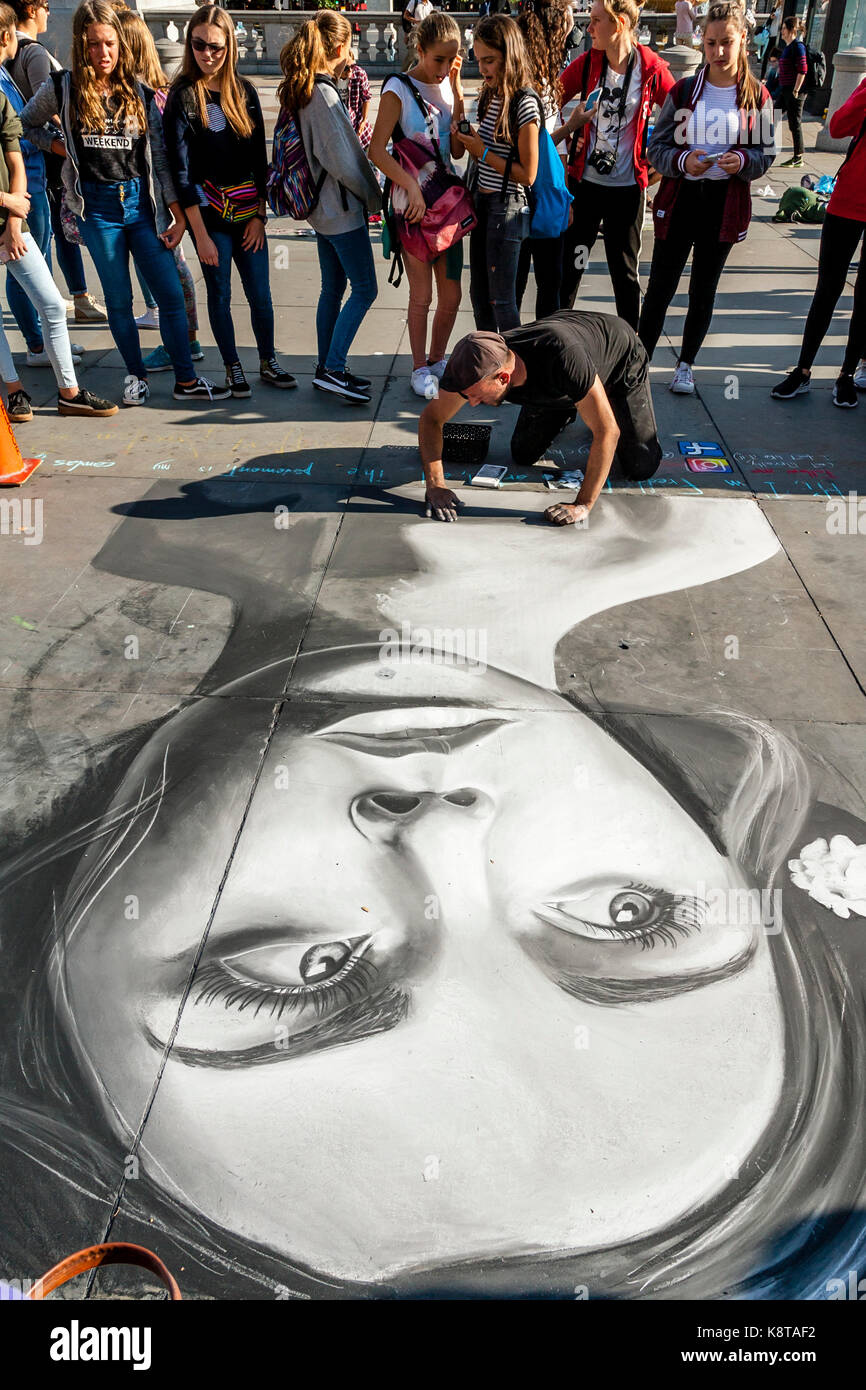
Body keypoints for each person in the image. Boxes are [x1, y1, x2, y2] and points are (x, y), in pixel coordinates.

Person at [5, 488, 865, 1299]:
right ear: (732, 856)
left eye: (306, 967)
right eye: (629, 917)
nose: (443, 835)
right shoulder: (705, 527)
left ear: (48, 957)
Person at [21, 0, 228, 407]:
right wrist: (57, 145)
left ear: (121, 44)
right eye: (94, 44)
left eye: (110, 43)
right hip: (97, 210)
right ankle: (135, 377)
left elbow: (161, 159)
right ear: (82, 45)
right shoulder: (62, 87)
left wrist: (176, 213)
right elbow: (24, 122)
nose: (103, 53)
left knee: (169, 294)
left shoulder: (139, 91)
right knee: (118, 301)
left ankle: (185, 380)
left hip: (140, 205)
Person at [638, 1, 775, 397]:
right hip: (682, 197)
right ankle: (639, 362)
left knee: (703, 289)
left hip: (724, 204)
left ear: (743, 41)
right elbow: (657, 147)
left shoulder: (757, 96)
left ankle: (686, 364)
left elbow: (766, 153)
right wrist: (683, 160)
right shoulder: (684, 90)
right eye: (710, 43)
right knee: (661, 285)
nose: (717, 52)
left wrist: (742, 160)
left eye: (726, 43)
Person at [417, 309, 661, 523]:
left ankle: (591, 401)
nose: (471, 403)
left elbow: (608, 431)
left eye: (477, 396)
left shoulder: (563, 356)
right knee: (523, 452)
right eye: (467, 396)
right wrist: (436, 485)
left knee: (640, 465)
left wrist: (582, 504)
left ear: (504, 377)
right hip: (560, 381)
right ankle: (574, 405)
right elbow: (432, 419)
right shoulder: (471, 365)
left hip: (619, 358)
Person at [162, 5, 293, 400]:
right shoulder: (182, 96)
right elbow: (181, 173)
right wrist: (198, 234)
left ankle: (268, 361)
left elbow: (259, 161)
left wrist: (259, 218)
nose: (207, 54)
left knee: (261, 294)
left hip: (247, 213)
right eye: (199, 45)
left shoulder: (244, 91)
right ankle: (232, 366)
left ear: (229, 46)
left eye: (216, 47)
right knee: (219, 294)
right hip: (209, 217)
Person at [277, 9, 380, 405]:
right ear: (339, 46)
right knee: (365, 288)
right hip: (339, 212)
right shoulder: (324, 93)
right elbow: (344, 159)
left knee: (332, 288)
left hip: (319, 210)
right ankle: (333, 368)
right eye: (350, 44)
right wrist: (375, 197)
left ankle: (326, 368)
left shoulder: (303, 87)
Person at [0, 77, 116, 418]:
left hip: (8, 222)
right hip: (7, 205)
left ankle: (70, 392)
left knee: (51, 304)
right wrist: (7, 199)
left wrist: (12, 220)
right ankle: (13, 390)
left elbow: (15, 161)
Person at [555, 0, 673, 329]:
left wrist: (660, 163)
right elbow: (551, 98)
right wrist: (567, 132)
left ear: (618, 24)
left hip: (627, 190)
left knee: (625, 276)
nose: (588, 28)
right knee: (572, 268)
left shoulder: (651, 68)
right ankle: (558, 345)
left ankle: (629, 355)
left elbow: (683, 114)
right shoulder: (588, 63)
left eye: (595, 21)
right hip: (585, 186)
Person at [370, 9, 465, 400]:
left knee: (453, 294)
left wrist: (458, 93)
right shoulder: (397, 88)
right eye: (438, 59)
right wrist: (409, 184)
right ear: (420, 49)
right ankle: (419, 367)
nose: (443, 68)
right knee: (421, 295)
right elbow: (377, 150)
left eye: (451, 60)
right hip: (412, 207)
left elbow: (457, 149)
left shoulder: (449, 88)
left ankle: (439, 358)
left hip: (447, 205)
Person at [7, 0, 106, 324]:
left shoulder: (14, 55)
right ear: (33, 8)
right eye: (46, 5)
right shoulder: (33, 52)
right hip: (40, 163)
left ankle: (56, 311)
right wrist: (71, 140)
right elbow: (47, 105)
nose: (49, 11)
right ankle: (58, 314)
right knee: (41, 244)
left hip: (26, 161)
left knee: (38, 243)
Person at [116, 9, 203, 376]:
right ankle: (187, 338)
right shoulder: (158, 88)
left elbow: (154, 152)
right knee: (175, 268)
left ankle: (181, 342)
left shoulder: (144, 94)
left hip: (159, 197)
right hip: (168, 195)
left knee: (173, 270)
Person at [771, 73, 866, 408]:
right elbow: (838, 128)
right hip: (847, 202)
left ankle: (847, 374)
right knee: (827, 289)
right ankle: (803, 369)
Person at [452, 13, 540, 333]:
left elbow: (528, 174)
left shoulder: (523, 102)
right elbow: (472, 150)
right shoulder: (492, 95)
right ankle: (491, 372)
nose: (483, 68)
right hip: (483, 205)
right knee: (480, 297)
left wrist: (482, 152)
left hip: (508, 208)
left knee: (502, 301)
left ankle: (514, 376)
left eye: (490, 60)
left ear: (509, 55)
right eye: (479, 60)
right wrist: (457, 94)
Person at [514, 0, 571, 322]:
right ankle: (543, 350)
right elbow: (545, 150)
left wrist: (571, 125)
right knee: (549, 284)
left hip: (522, 196)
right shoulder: (541, 87)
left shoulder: (521, 85)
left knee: (515, 286)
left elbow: (542, 143)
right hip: (542, 197)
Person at [776, 15, 807, 168]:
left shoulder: (798, 46)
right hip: (785, 90)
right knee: (772, 116)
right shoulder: (789, 47)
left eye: (783, 29)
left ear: (791, 30)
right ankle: (762, 147)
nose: (781, 32)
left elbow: (803, 70)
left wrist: (796, 90)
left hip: (794, 91)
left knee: (795, 123)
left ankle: (798, 157)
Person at [338, 47, 372, 150]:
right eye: (346, 68)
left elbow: (366, 98)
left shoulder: (359, 74)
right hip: (338, 117)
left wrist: (364, 121)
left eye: (352, 66)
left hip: (356, 117)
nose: (350, 70)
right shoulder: (331, 77)